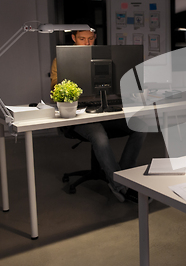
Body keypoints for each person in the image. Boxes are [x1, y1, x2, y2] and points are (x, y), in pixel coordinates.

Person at [50, 24, 147, 203]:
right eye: (82, 39)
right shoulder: (62, 60)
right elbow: (56, 88)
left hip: (106, 109)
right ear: (73, 38)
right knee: (99, 137)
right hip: (81, 115)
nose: (87, 43)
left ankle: (123, 176)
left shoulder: (106, 56)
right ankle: (120, 187)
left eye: (91, 38)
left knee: (140, 125)